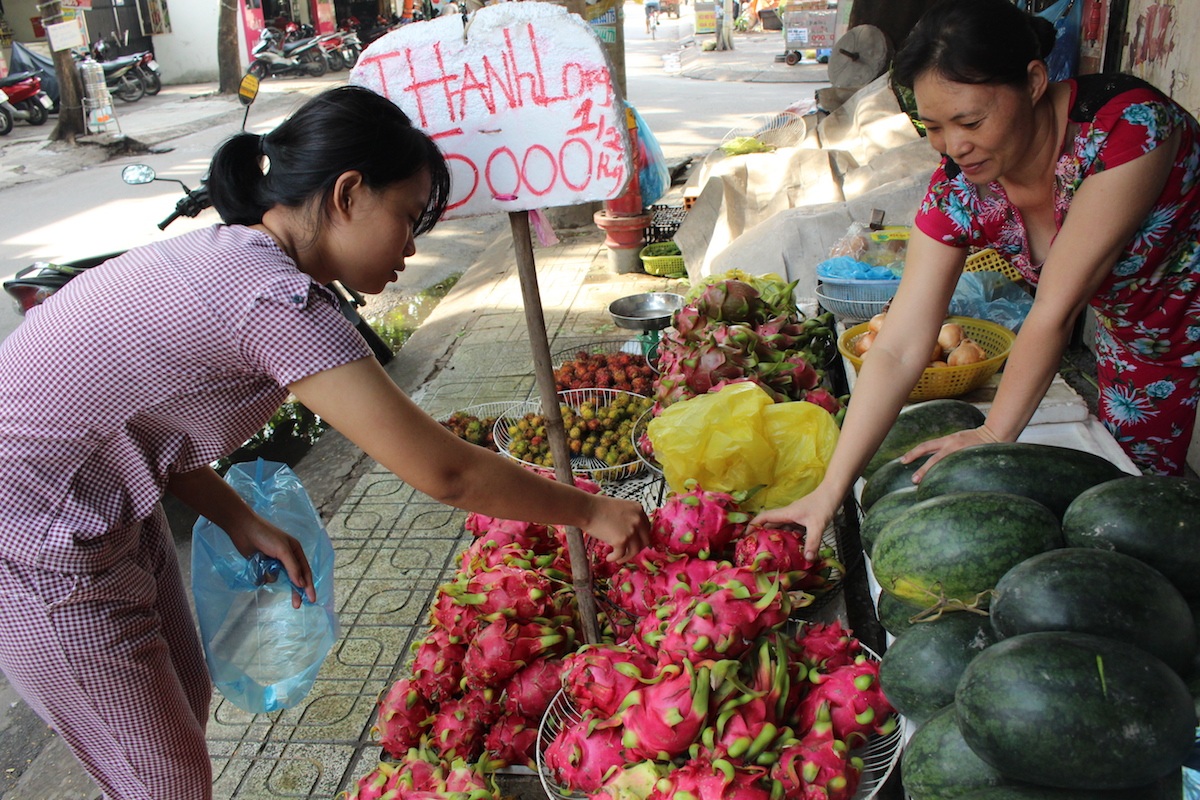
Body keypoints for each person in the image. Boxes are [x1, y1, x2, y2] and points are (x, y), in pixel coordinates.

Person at [0, 86, 651, 800]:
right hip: (36, 544)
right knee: (162, 782)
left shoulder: (234, 256)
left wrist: (238, 516)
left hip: (105, 509)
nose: (411, 246)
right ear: (347, 193)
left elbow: (142, 417)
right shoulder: (275, 300)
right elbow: (447, 473)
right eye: (408, 219)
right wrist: (591, 513)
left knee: (179, 718)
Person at [756, 0, 1200, 560]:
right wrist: (830, 489)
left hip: (1183, 310)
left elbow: (1054, 312)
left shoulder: (1127, 129)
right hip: (1140, 340)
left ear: (1035, 81)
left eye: (970, 121)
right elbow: (898, 345)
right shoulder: (960, 190)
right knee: (1139, 510)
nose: (952, 146)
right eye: (933, 127)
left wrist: (993, 436)